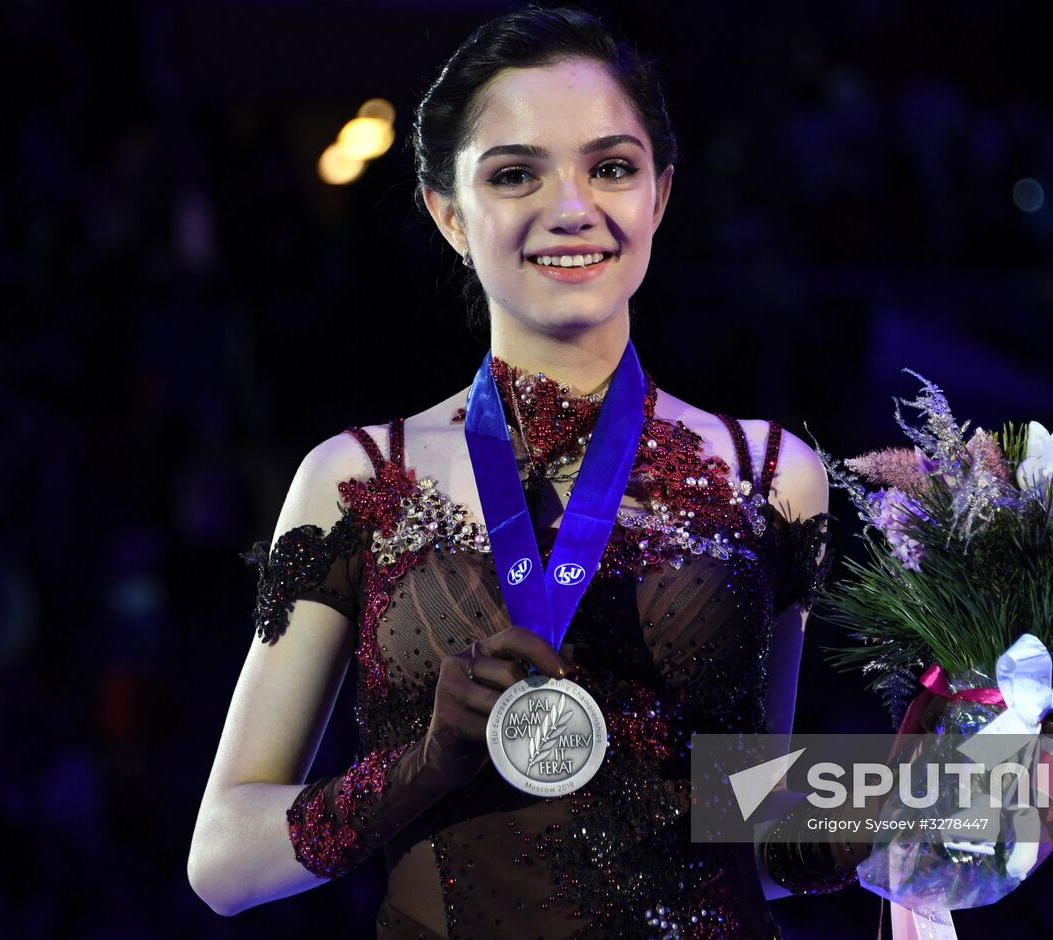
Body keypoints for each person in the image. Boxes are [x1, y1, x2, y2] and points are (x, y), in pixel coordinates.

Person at [188, 7, 860, 937]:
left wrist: (982, 794)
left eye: (611, 167)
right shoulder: (355, 478)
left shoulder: (773, 475)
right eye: (515, 175)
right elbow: (221, 859)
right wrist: (424, 764)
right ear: (448, 214)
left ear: (660, 196)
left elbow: (745, 822)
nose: (573, 207)